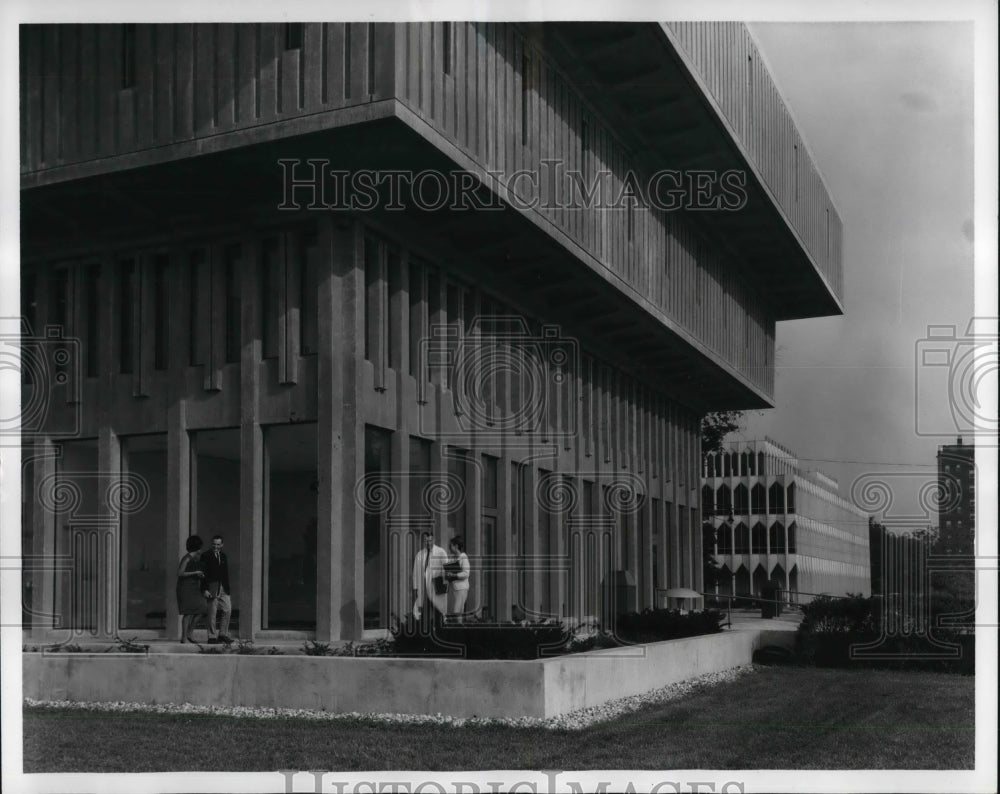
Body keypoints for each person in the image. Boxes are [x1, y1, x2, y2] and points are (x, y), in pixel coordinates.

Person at [201, 534, 233, 644]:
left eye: (218, 544)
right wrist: (205, 589)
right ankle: (212, 636)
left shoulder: (223, 556)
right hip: (212, 587)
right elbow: (202, 574)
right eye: (214, 544)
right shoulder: (205, 556)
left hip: (223, 587)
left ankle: (223, 634)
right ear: (211, 544)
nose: (216, 546)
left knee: (227, 609)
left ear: (222, 545)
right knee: (212, 612)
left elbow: (225, 574)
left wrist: (227, 588)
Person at [176, 535, 207, 643]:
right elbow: (180, 573)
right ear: (198, 547)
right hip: (185, 587)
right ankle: (184, 637)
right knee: (187, 613)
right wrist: (195, 573)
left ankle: (189, 633)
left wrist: (199, 575)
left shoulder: (194, 558)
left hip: (194, 587)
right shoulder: (187, 558)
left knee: (202, 608)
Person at [412, 531, 448, 622]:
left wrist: (444, 584)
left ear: (434, 540)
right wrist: (415, 587)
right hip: (423, 589)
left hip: (436, 587)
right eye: (426, 541)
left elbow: (446, 569)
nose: (428, 543)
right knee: (423, 613)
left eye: (430, 541)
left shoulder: (441, 552)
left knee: (439, 613)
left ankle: (440, 631)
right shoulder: (419, 555)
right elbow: (415, 573)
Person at [445, 535, 471, 621]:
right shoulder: (453, 558)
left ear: (456, 546)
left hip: (460, 589)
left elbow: (466, 573)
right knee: (452, 613)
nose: (449, 548)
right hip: (453, 589)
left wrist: (454, 575)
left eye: (451, 545)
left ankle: (459, 631)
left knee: (457, 613)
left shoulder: (463, 557)